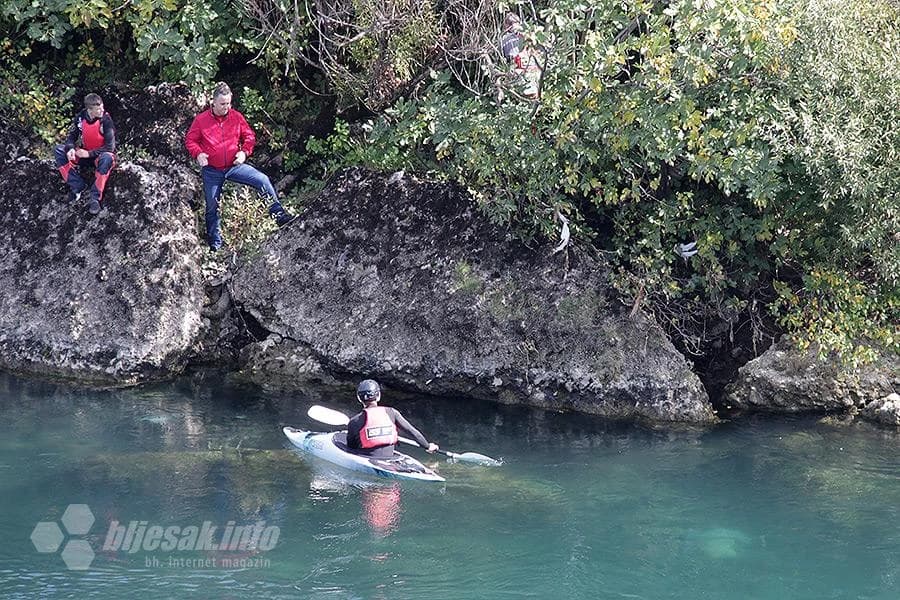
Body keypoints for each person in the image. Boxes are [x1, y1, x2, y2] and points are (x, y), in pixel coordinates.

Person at [185, 81, 296, 251]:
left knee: (262, 180)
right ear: (213, 103)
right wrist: (198, 153)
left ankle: (279, 215)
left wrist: (244, 152)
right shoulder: (201, 120)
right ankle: (215, 244)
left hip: (234, 166)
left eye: (229, 103)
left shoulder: (236, 117)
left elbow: (249, 136)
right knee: (212, 206)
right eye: (223, 104)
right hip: (212, 170)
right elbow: (190, 140)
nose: (226, 107)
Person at [54, 93, 116, 215]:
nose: (102, 110)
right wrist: (71, 148)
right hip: (85, 153)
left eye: (102, 106)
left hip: (100, 156)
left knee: (107, 158)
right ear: (90, 110)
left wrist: (89, 154)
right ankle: (77, 186)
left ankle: (95, 198)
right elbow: (71, 136)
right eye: (98, 109)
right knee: (59, 150)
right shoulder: (80, 118)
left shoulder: (106, 120)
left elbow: (110, 147)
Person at [347, 379, 439, 459]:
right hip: (389, 459)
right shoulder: (392, 412)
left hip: (367, 459)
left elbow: (351, 448)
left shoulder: (354, 421)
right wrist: (427, 446)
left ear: (359, 398)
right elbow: (412, 432)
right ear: (378, 396)